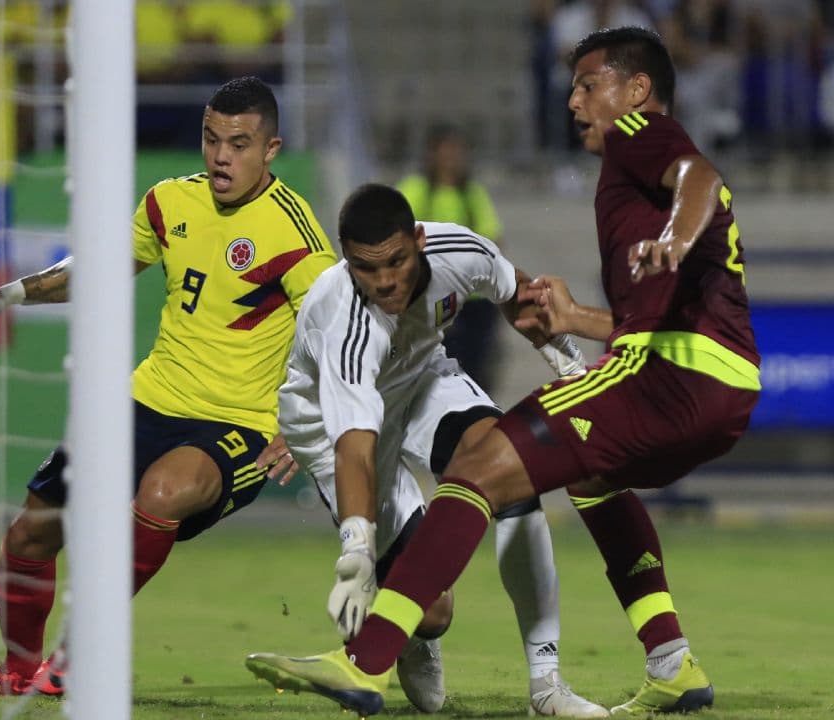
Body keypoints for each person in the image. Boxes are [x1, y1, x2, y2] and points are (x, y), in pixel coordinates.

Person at [244, 27, 758, 717]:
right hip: (718, 386)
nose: (573, 98)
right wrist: (577, 320)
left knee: (479, 466)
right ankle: (672, 661)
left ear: (636, 91)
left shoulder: (642, 131)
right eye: (572, 85)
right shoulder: (629, 178)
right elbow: (663, 317)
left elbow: (701, 177)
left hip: (671, 378)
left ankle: (365, 664)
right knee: (589, 477)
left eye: (588, 84)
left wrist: (672, 238)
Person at [0, 76, 337, 697]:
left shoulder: (294, 231)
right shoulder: (169, 202)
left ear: (271, 150)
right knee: (30, 534)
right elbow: (95, 269)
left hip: (238, 425)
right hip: (145, 401)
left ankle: (81, 655)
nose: (220, 157)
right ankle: (19, 674)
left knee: (162, 492)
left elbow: (338, 330)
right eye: (211, 140)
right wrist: (11, 295)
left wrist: (306, 421)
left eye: (239, 144)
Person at [264, 183, 607, 717]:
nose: (384, 282)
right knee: (433, 613)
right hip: (326, 426)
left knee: (512, 473)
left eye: (396, 262)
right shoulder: (346, 324)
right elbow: (355, 445)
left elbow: (512, 291)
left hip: (422, 379)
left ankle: (546, 683)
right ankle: (419, 637)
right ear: (344, 259)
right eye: (365, 268)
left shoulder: (460, 251)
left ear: (419, 240)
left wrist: (568, 367)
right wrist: (356, 549)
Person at [396, 124, 505, 391]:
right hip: (432, 299)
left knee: (474, 375)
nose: (452, 160)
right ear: (431, 156)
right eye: (446, 153)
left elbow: (493, 240)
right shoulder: (415, 189)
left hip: (473, 300)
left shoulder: (472, 194)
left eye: (457, 153)